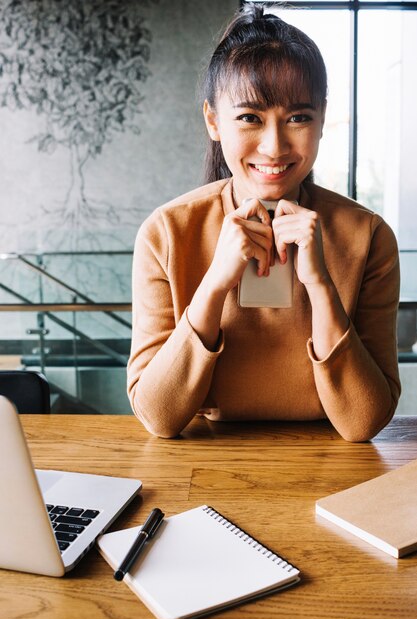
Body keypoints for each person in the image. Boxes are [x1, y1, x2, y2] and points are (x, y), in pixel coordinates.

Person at [127, 3, 400, 441]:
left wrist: (320, 285)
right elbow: (158, 418)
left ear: (322, 120)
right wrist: (216, 282)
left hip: (334, 472)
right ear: (214, 121)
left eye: (298, 117)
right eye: (250, 118)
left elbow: (363, 423)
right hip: (205, 469)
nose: (274, 147)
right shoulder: (167, 233)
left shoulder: (368, 236)